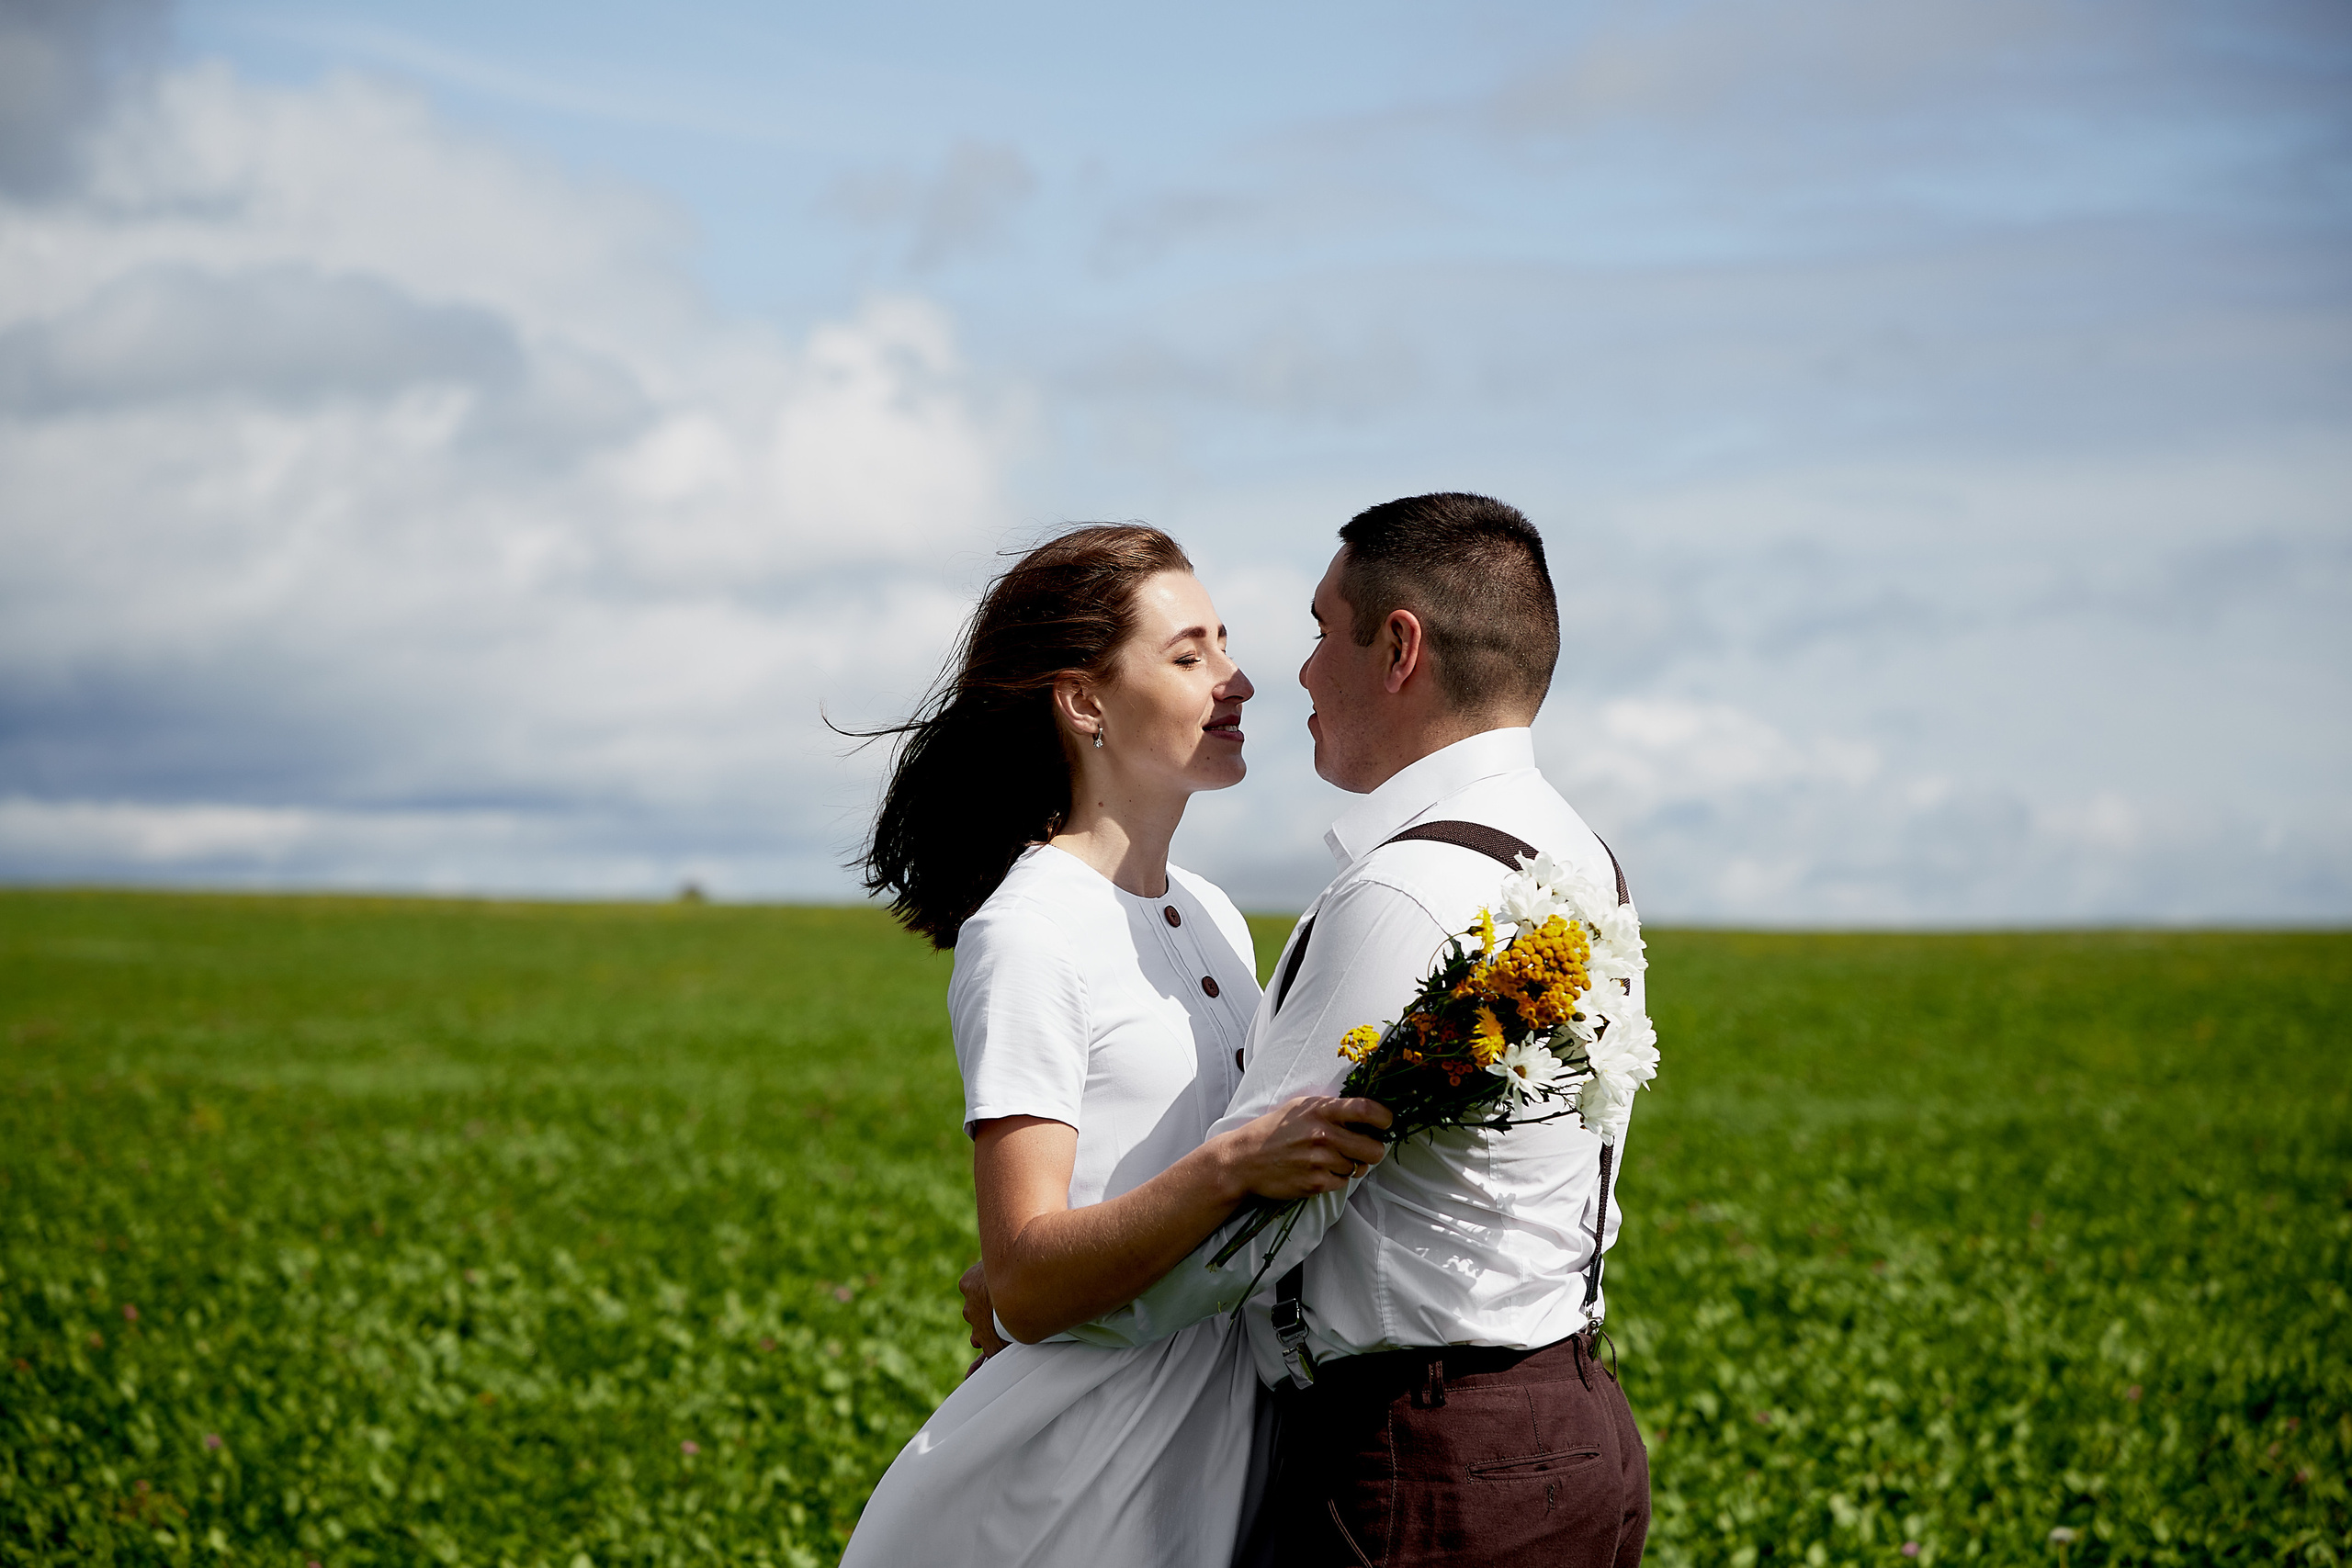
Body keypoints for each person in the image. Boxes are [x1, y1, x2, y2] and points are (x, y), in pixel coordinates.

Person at [968, 493, 1652, 1566]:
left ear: (1399, 649)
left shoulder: (1399, 891)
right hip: (1567, 1420)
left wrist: (1039, 1307)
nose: (1279, 675)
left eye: (1321, 631)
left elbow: (1263, 1221)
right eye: (1191, 653)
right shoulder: (1571, 852)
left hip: (1425, 1455)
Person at [839, 524, 1396, 1568]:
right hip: (1081, 1474)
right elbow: (1022, 1280)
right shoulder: (1029, 931)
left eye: (1225, 644)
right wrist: (1232, 1166)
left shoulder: (1215, 915)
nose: (1235, 679)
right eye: (1188, 655)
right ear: (1084, 701)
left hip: (1219, 1446)